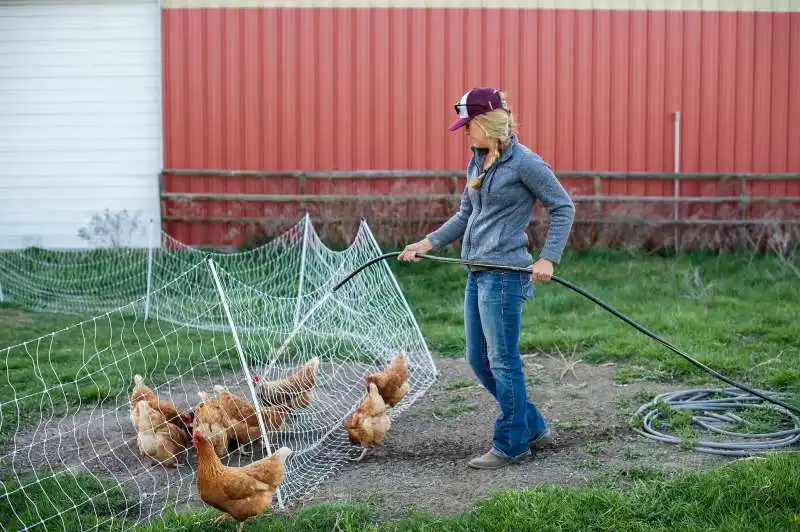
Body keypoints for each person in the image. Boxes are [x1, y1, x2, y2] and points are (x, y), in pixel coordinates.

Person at [398, 87, 576, 470]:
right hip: (477, 273)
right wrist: (427, 242)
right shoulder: (477, 161)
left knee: (504, 362)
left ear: (485, 124)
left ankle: (512, 444)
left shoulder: (526, 164)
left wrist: (548, 258)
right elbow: (466, 215)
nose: (464, 134)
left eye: (468, 127)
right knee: (478, 360)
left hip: (505, 277)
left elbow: (563, 207)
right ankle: (532, 426)